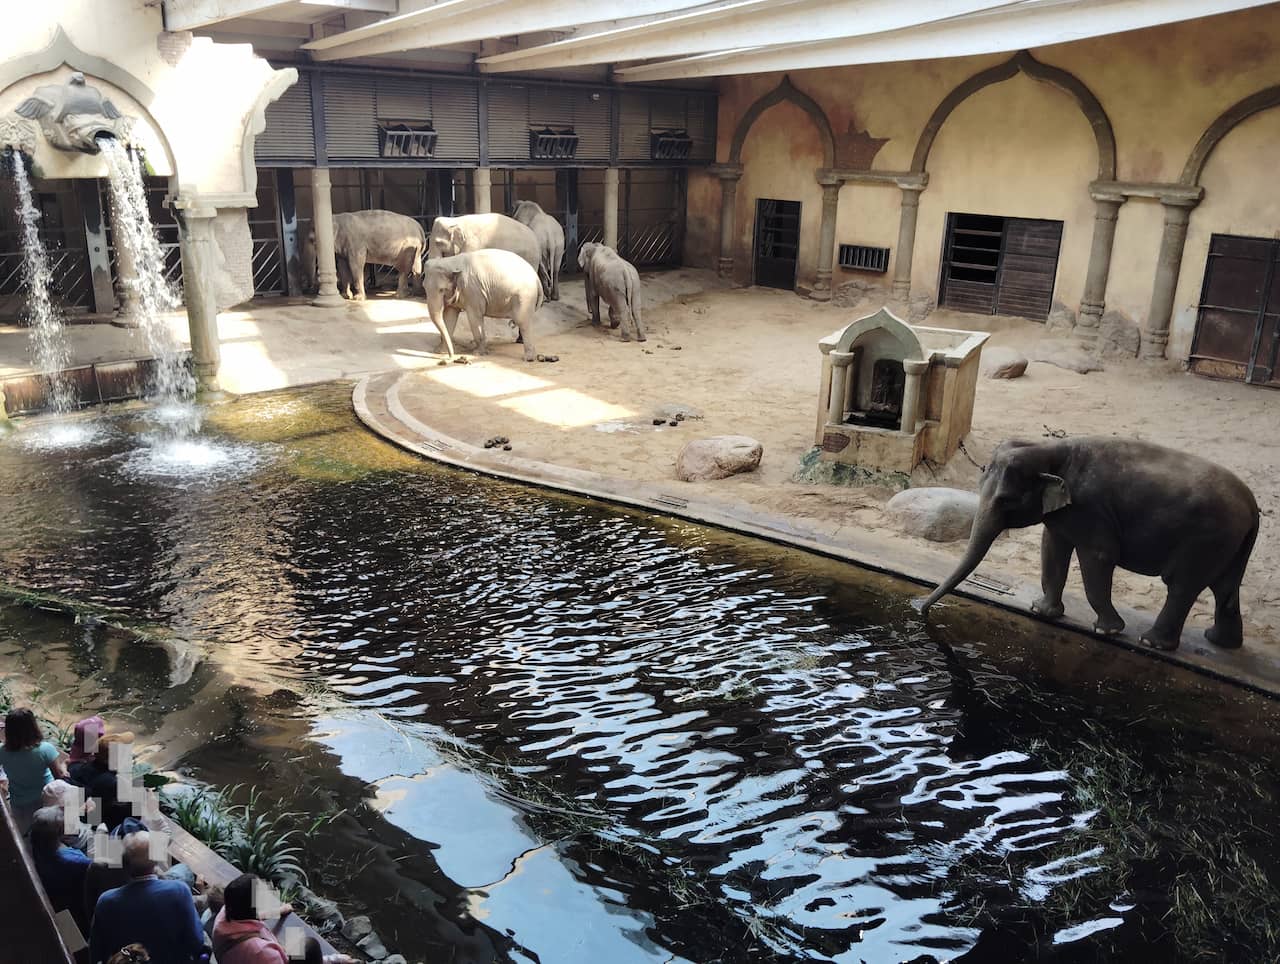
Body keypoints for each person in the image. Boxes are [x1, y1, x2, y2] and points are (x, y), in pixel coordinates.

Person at [89, 831, 206, 964]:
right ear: (157, 860)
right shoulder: (179, 891)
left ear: (124, 863)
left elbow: (96, 951)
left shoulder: (106, 901)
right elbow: (196, 943)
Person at [0, 707, 67, 832]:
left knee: (26, 833)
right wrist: (64, 766)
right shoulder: (45, 749)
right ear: (33, 726)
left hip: (18, 801)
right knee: (45, 833)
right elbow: (59, 777)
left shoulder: (2, 751)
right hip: (46, 799)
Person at [30, 805, 93, 935]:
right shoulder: (76, 861)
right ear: (60, 831)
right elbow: (95, 873)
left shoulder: (37, 844)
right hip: (76, 906)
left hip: (55, 898)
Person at [210, 874, 292, 964]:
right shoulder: (262, 952)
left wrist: (279, 911)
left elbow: (250, 914)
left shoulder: (225, 914)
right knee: (307, 946)